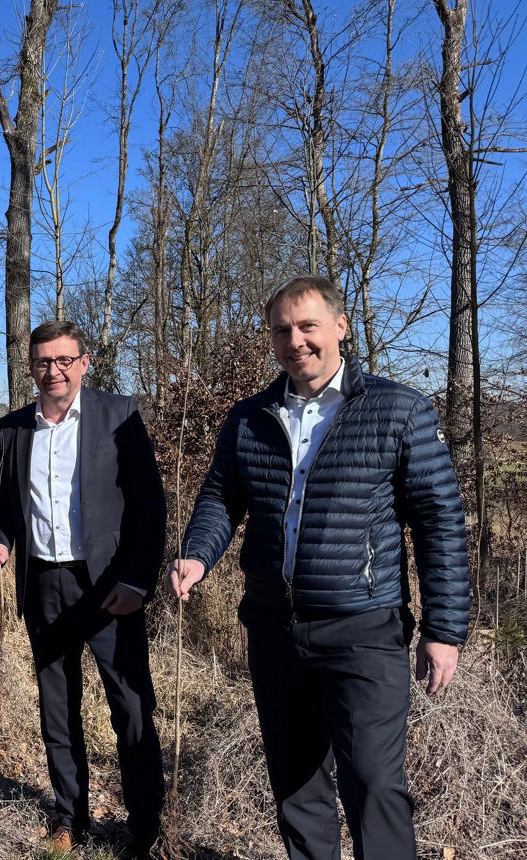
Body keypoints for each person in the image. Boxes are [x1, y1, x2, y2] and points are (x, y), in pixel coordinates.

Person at [164, 276, 469, 860]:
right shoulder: (249, 417)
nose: (295, 340)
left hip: (364, 630)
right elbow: (221, 497)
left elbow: (439, 522)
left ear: (340, 327)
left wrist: (444, 629)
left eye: (307, 326)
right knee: (297, 787)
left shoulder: (397, 409)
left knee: (374, 785)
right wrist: (198, 554)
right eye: (282, 330)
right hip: (274, 629)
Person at [0, 320, 167, 857]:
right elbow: (4, 506)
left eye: (65, 360)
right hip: (43, 582)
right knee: (57, 708)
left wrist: (136, 581)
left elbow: (149, 506)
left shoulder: (119, 414)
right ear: (30, 366)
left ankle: (146, 829)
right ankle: (69, 817)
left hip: (109, 584)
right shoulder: (13, 427)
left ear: (85, 363)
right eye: (43, 361)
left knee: (130, 707)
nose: (54, 371)